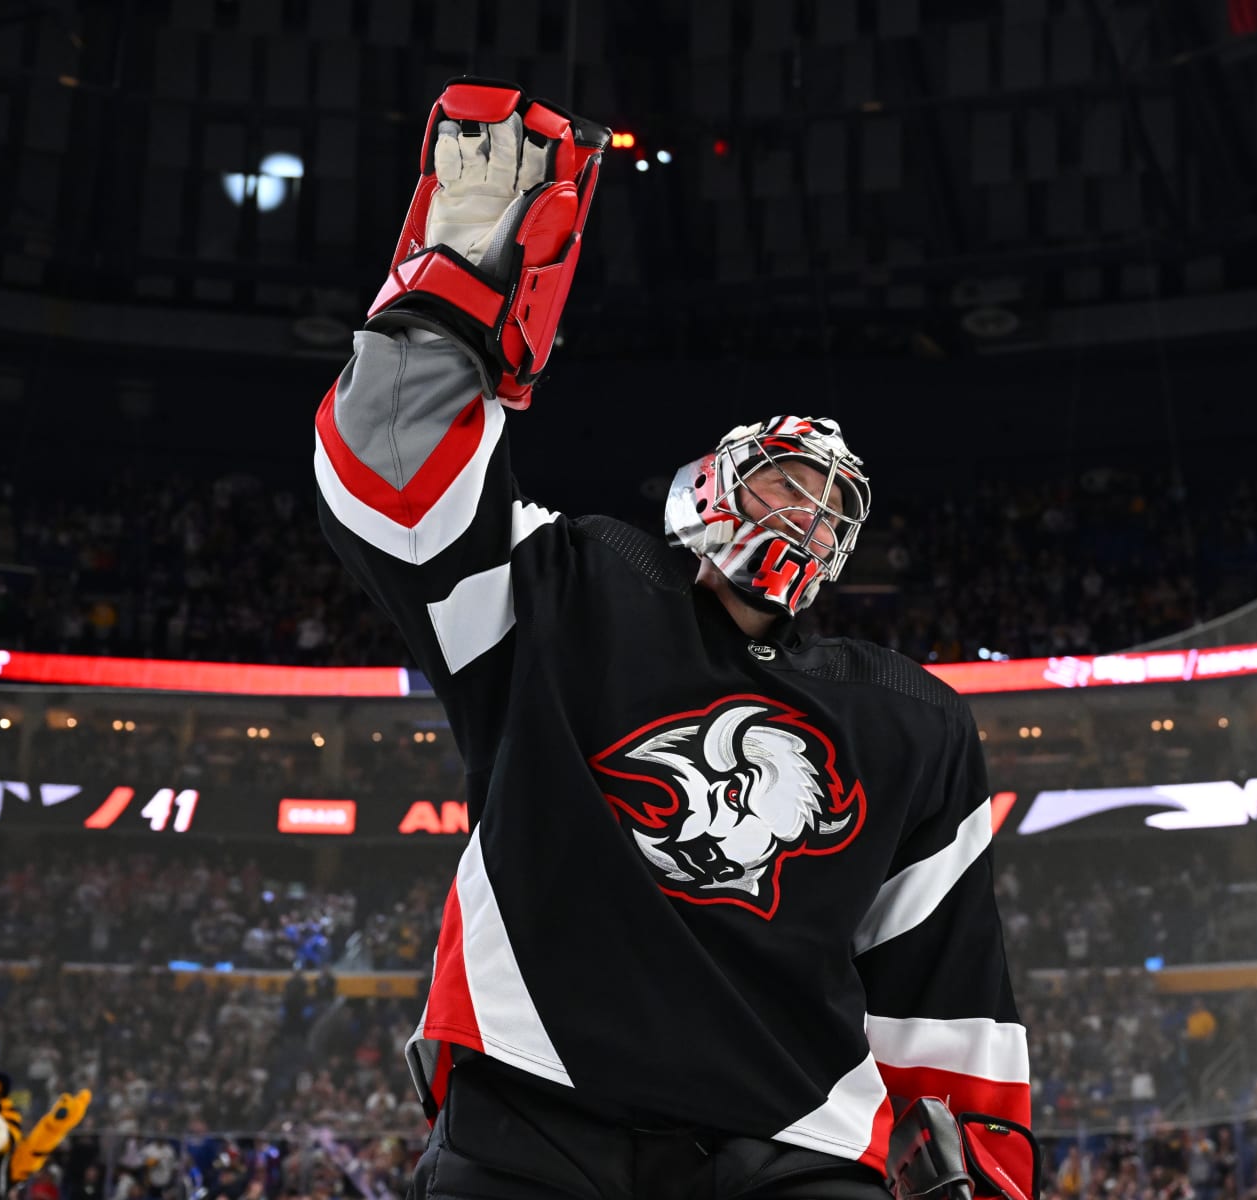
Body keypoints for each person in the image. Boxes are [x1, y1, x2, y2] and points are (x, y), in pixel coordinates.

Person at [315, 78, 1031, 1199]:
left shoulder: (913, 718)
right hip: (533, 1111)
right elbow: (396, 493)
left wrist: (976, 1173)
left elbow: (945, 981)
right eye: (787, 484)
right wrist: (447, 300)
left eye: (829, 508)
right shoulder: (575, 587)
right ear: (709, 491)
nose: (807, 515)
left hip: (794, 1146)